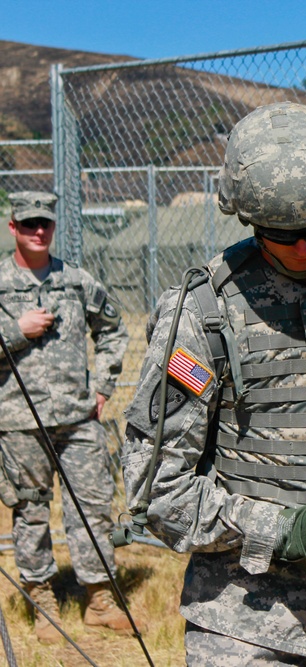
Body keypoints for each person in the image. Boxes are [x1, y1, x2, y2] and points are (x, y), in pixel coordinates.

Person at [120, 102, 306, 665]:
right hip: (249, 619)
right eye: (279, 233)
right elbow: (156, 490)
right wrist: (284, 530)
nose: (302, 248)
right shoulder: (203, 315)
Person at [0, 190, 130, 643]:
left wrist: (103, 386)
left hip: (78, 419)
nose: (39, 231)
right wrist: (15, 331)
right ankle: (42, 601)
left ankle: (98, 598)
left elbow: (114, 328)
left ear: (54, 228)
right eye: (29, 223)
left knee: (92, 508)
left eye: (46, 223)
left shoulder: (76, 281)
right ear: (13, 227)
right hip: (18, 419)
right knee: (30, 511)